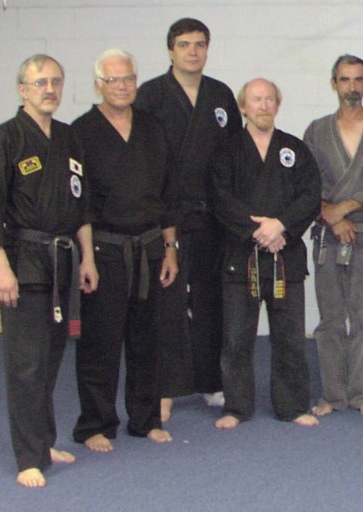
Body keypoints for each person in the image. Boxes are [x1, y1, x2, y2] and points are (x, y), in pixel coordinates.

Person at [0, 54, 98, 487]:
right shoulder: (3, 139)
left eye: (56, 82)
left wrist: (87, 257)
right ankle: (28, 457)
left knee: (49, 359)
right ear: (22, 89)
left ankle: (44, 442)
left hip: (63, 260)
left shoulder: (68, 138)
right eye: (40, 82)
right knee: (26, 365)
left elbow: (82, 205)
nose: (50, 89)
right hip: (22, 260)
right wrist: (0, 267)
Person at [134, 18, 243, 420]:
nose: (193, 51)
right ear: (170, 50)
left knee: (212, 301)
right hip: (169, 215)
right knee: (168, 304)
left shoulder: (220, 94)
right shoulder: (151, 95)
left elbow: (235, 155)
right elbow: (143, 159)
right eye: (184, 44)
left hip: (213, 216)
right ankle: (165, 388)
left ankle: (211, 381)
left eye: (199, 44)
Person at [70, 49, 176, 452]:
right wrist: (87, 258)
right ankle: (94, 425)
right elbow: (78, 202)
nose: (122, 86)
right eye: (113, 80)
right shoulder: (82, 132)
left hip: (150, 248)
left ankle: (146, 420)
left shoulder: (152, 127)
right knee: (100, 343)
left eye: (128, 78)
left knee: (148, 341)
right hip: (105, 249)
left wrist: (170, 248)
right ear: (98, 85)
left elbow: (168, 193)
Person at [212, 78, 322, 429]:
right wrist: (257, 231)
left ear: (278, 104)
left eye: (270, 99)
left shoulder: (294, 149)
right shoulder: (226, 150)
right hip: (241, 255)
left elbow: (310, 195)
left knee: (289, 337)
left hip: (285, 254)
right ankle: (236, 406)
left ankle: (292, 406)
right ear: (243, 107)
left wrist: (282, 226)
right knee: (236, 338)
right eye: (256, 100)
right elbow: (220, 198)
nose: (263, 105)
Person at [304, 54, 363, 418]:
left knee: (362, 318)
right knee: (330, 318)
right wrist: (330, 216)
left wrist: (343, 208)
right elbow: (306, 181)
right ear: (334, 84)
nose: (352, 87)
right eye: (345, 79)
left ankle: (362, 394)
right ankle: (332, 394)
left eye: (358, 79)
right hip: (328, 235)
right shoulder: (317, 131)